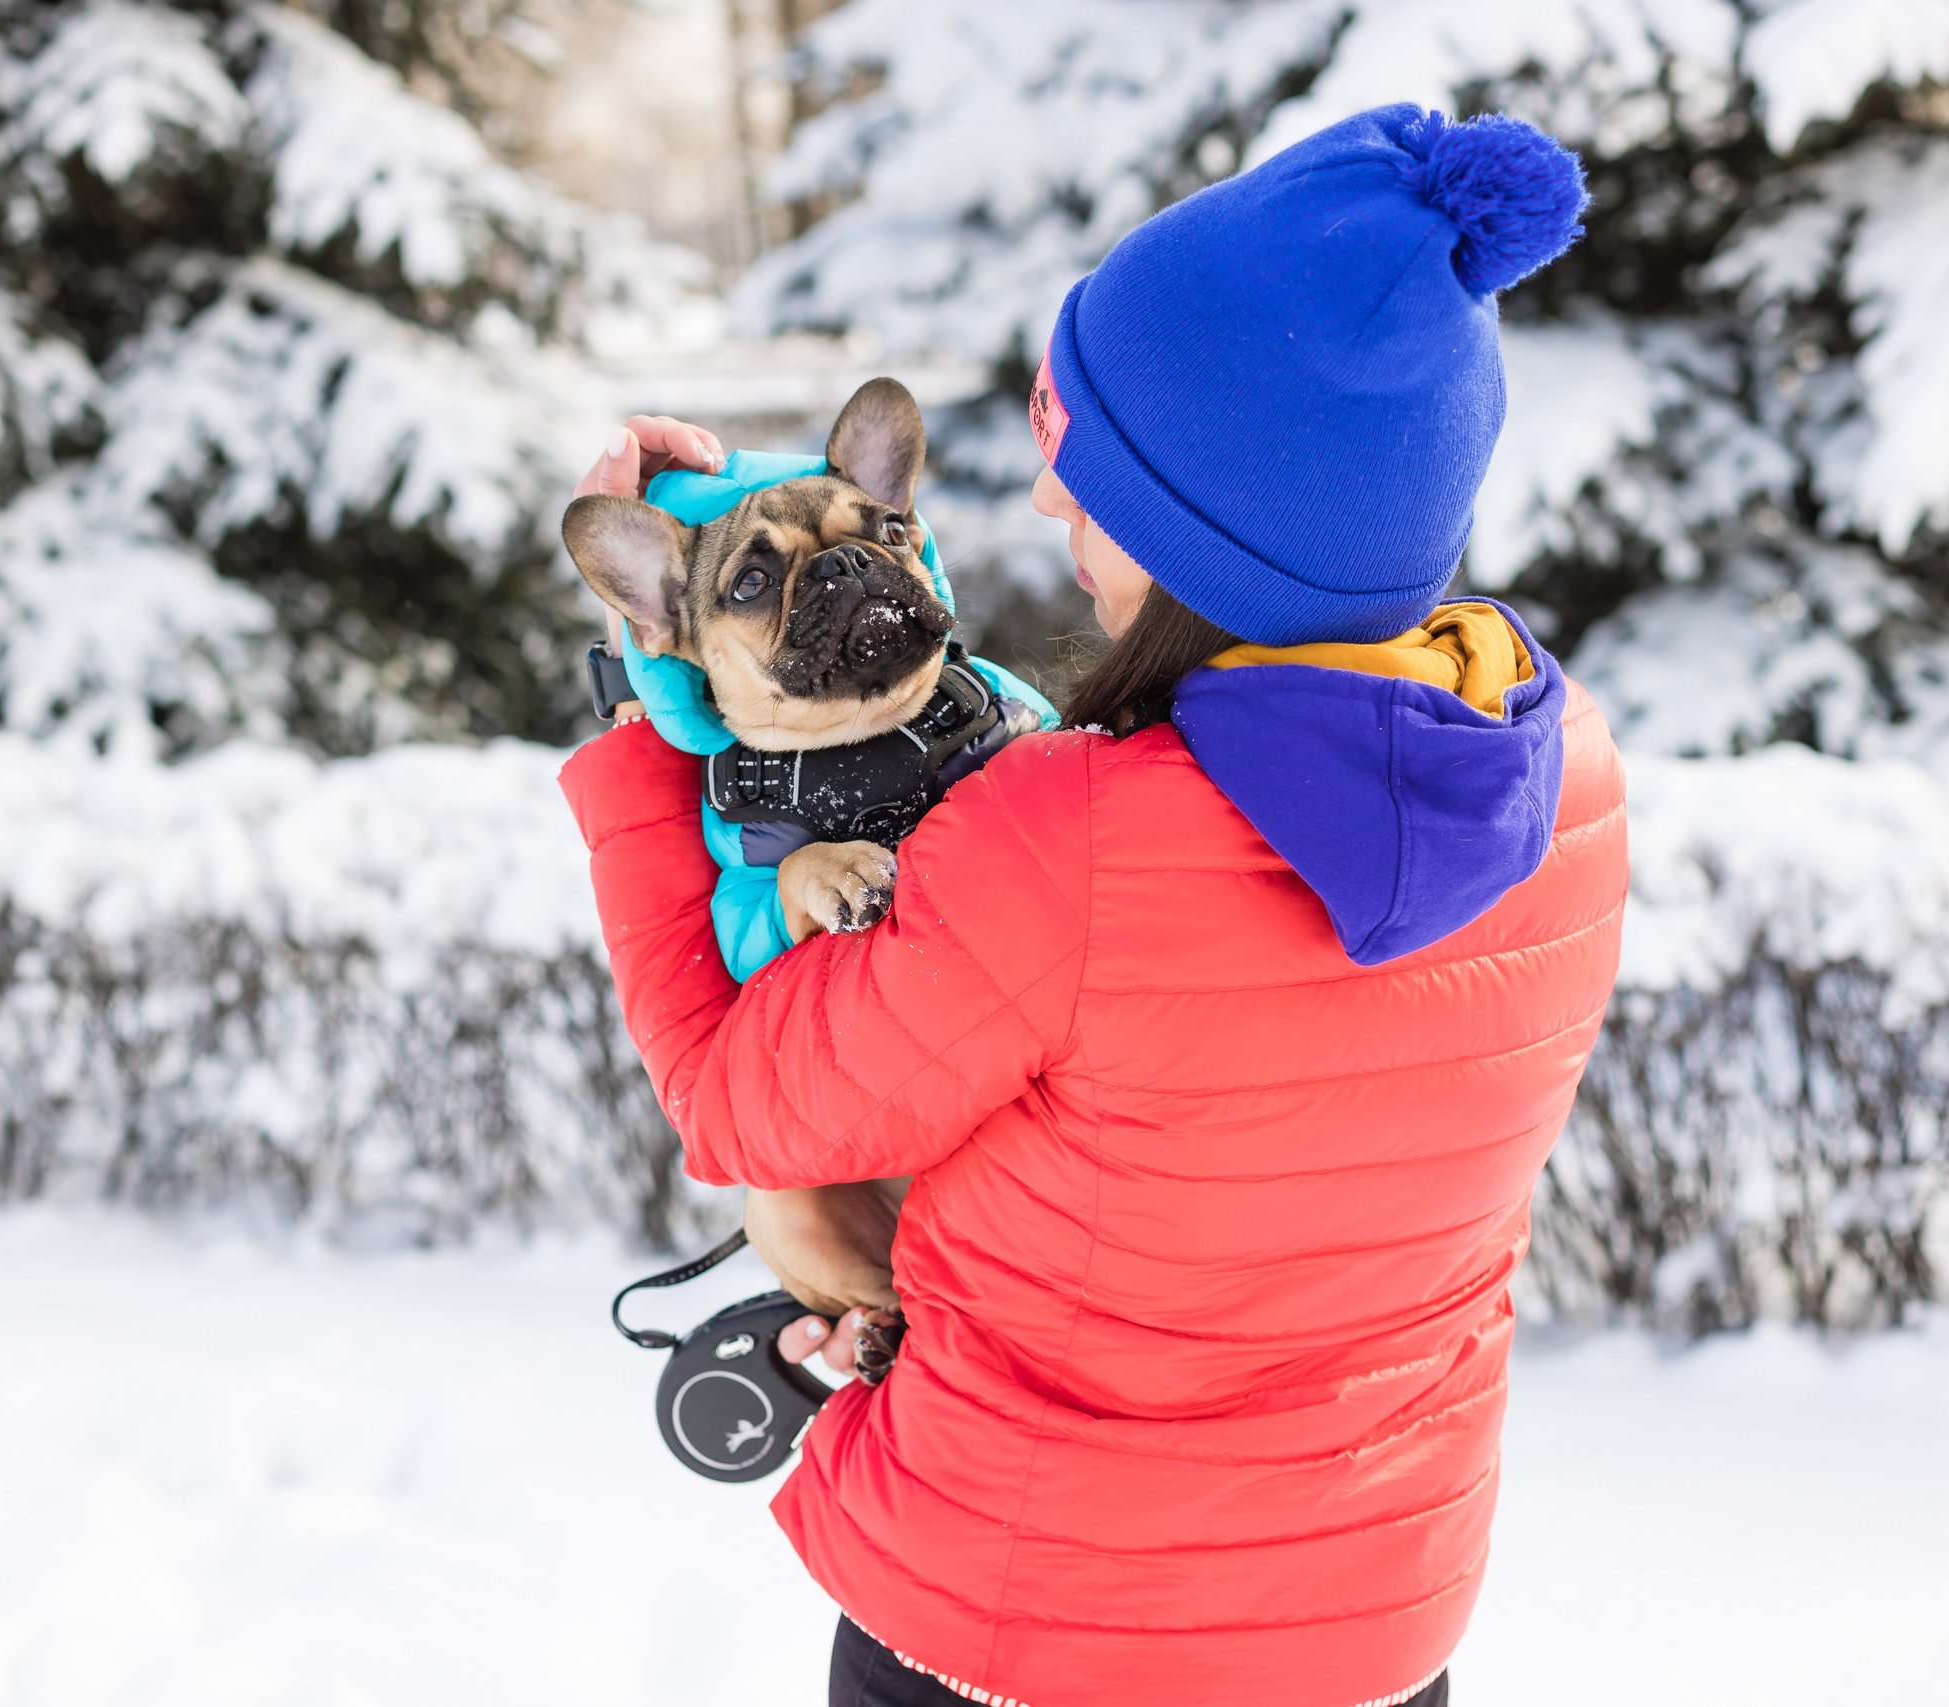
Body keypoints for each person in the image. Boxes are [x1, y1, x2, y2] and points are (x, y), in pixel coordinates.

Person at [564, 105, 1628, 1707]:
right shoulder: (1566, 783)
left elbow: (739, 1109)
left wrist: (659, 711)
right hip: (1372, 1625)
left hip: (1031, 1626)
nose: (1050, 513)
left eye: (1090, 474)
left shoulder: (1064, 833)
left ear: (1214, 525)